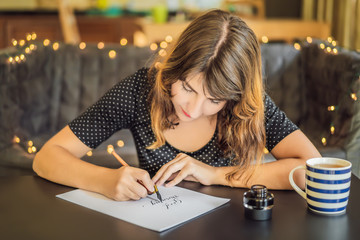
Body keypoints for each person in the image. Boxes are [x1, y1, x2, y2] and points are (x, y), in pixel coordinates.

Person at [33, 9, 321, 201]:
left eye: (214, 100)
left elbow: (313, 170)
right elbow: (47, 158)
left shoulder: (245, 104)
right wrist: (106, 180)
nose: (193, 110)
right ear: (172, 68)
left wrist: (215, 175)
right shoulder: (140, 91)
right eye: (187, 87)